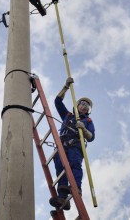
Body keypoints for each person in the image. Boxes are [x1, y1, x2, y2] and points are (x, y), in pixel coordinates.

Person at [49, 77, 95, 210]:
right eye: (82, 103)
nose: (84, 106)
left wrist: (84, 129)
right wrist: (65, 87)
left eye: (86, 105)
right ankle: (62, 197)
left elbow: (91, 137)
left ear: (88, 110)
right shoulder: (68, 115)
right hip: (62, 145)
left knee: (75, 165)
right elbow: (58, 101)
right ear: (77, 105)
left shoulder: (88, 121)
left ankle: (76, 188)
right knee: (60, 167)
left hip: (75, 146)